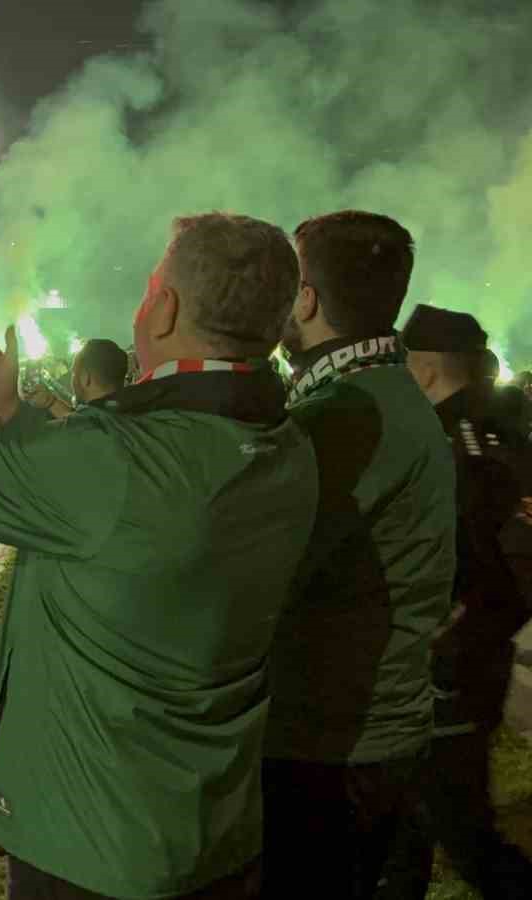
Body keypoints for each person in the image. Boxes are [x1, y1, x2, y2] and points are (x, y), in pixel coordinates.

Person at [0, 212, 317, 899]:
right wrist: (12, 413)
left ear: (166, 307)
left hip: (90, 850)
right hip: (216, 835)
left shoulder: (117, 463)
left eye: (151, 288)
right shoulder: (286, 449)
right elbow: (114, 507)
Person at [260, 212, 456, 899]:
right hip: (366, 746)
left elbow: (259, 573)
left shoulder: (345, 414)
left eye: (285, 282)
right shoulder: (381, 395)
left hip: (332, 754)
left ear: (306, 299)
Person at [377, 304, 532, 900]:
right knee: (409, 826)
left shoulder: (442, 443)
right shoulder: (505, 435)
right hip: (472, 663)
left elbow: (476, 561)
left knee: (461, 832)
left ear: (422, 369)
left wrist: (453, 632)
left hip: (446, 671)